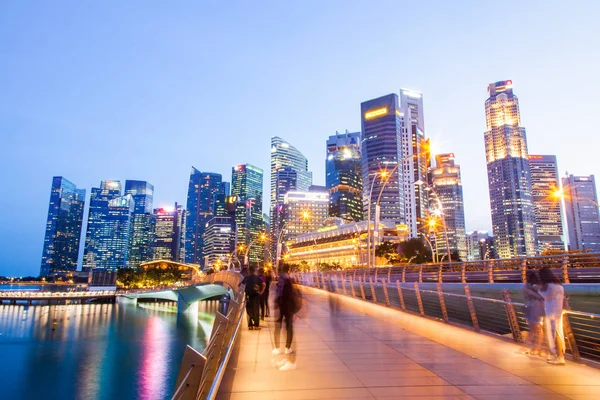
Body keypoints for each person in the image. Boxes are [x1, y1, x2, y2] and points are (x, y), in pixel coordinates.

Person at [539, 267, 566, 365]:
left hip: (551, 312)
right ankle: (558, 356)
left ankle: (560, 357)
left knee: (554, 335)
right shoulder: (559, 285)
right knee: (558, 333)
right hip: (558, 312)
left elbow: (547, 296)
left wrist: (539, 290)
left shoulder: (550, 286)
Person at [272, 264, 297, 371]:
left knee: (285, 330)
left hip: (285, 307)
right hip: (287, 307)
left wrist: (277, 303)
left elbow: (280, 293)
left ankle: (291, 361)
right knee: (287, 330)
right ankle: (287, 356)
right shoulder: (288, 278)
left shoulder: (283, 278)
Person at [519, 270, 545, 356]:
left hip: (536, 309)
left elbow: (542, 297)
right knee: (535, 329)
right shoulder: (528, 286)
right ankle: (535, 347)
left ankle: (535, 348)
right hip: (533, 309)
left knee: (536, 329)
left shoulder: (536, 287)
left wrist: (532, 293)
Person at [241, 266, 265, 330]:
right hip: (256, 295)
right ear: (254, 271)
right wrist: (261, 292)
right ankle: (256, 326)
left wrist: (244, 290)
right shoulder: (257, 277)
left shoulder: (246, 277)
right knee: (256, 310)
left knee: (249, 310)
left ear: (249, 271)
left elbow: (240, 285)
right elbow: (264, 284)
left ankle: (250, 325)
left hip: (248, 295)